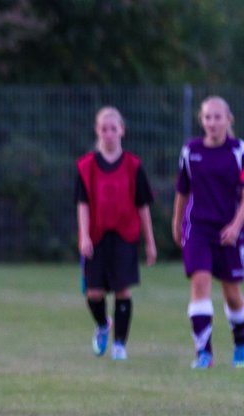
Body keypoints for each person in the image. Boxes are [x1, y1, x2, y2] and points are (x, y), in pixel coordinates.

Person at [75, 106, 157, 361]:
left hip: (124, 235)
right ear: (97, 131)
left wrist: (150, 242)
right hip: (96, 237)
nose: (109, 133)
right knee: (94, 293)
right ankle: (102, 325)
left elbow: (142, 206)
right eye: (104, 128)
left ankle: (120, 344)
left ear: (122, 130)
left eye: (113, 128)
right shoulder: (86, 166)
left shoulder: (133, 166)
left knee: (123, 290)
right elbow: (82, 204)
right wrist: (84, 235)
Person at [172, 95, 244, 369]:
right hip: (198, 228)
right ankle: (204, 353)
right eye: (207, 117)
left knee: (232, 294)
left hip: (229, 230)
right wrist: (177, 223)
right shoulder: (191, 151)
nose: (212, 123)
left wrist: (237, 226)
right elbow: (182, 191)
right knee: (199, 283)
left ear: (229, 120)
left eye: (217, 117)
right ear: (201, 121)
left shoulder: (239, 151)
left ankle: (241, 343)